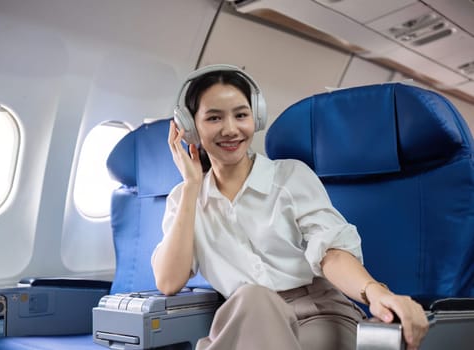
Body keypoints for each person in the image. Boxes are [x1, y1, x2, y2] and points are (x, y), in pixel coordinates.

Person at [151, 64, 428, 350]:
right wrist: (191, 185)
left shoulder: (290, 177)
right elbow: (169, 282)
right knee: (252, 300)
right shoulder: (184, 198)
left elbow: (330, 252)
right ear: (190, 127)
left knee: (251, 302)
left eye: (241, 115)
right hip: (247, 318)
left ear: (255, 117)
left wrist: (373, 291)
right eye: (214, 118)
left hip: (318, 316)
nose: (231, 129)